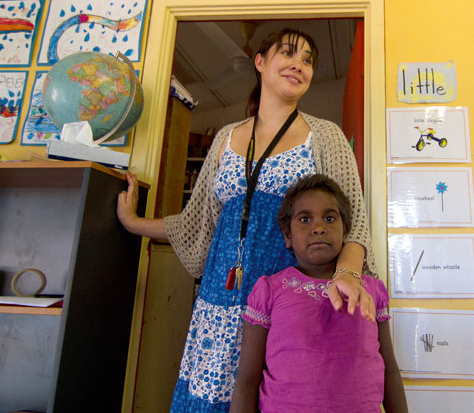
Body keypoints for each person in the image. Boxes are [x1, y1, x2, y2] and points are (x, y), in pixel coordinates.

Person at [117, 27, 376, 413]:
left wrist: (348, 275)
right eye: (288, 54)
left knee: (285, 396)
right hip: (221, 302)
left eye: (308, 60)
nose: (299, 65)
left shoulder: (326, 136)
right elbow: (195, 225)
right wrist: (133, 221)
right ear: (260, 61)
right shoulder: (225, 137)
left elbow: (353, 222)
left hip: (292, 301)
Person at [230, 174, 407, 413]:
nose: (319, 228)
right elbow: (247, 379)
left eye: (330, 218)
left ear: (345, 232)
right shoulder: (269, 290)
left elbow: (390, 370)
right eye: (305, 219)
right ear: (287, 236)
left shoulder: (371, 290)